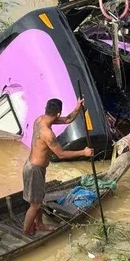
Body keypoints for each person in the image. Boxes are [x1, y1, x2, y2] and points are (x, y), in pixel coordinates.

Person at [23, 98, 94, 235]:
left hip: (33, 166)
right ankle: (26, 233)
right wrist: (84, 152)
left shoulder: (40, 119)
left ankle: (40, 224)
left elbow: (67, 119)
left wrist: (77, 107)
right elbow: (61, 154)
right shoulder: (48, 134)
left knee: (39, 199)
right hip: (34, 170)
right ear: (57, 114)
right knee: (35, 204)